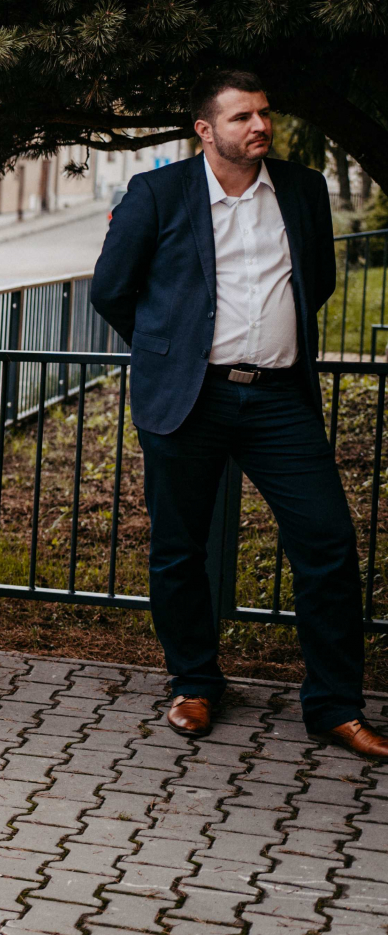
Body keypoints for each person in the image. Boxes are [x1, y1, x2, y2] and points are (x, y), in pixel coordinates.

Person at [92, 70, 385, 759]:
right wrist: (174, 349)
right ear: (205, 130)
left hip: (280, 397)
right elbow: (111, 289)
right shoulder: (159, 193)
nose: (260, 125)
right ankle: (195, 681)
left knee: (328, 541)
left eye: (264, 113)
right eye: (242, 117)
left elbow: (316, 282)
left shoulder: (303, 190)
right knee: (178, 548)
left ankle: (336, 705)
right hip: (192, 396)